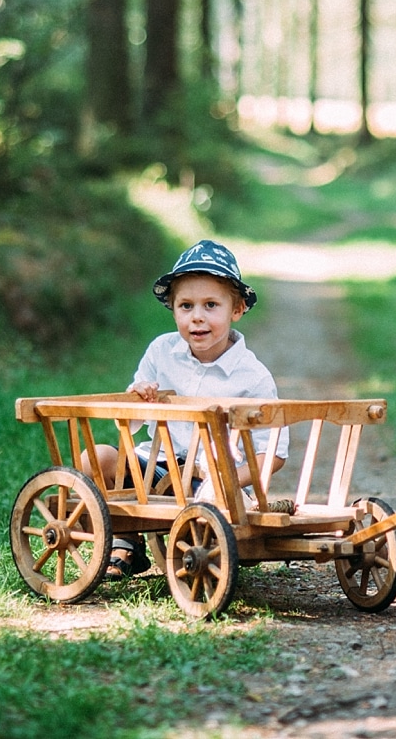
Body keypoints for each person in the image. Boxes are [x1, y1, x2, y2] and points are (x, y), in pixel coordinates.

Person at [85, 239, 288, 577]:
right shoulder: (161, 351)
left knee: (216, 497)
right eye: (186, 306)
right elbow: (131, 420)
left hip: (211, 478)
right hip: (158, 468)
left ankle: (202, 547)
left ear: (237, 309)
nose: (197, 318)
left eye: (211, 305)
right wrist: (139, 395)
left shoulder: (253, 377)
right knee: (96, 458)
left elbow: (273, 452)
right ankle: (127, 540)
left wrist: (226, 482)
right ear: (173, 309)